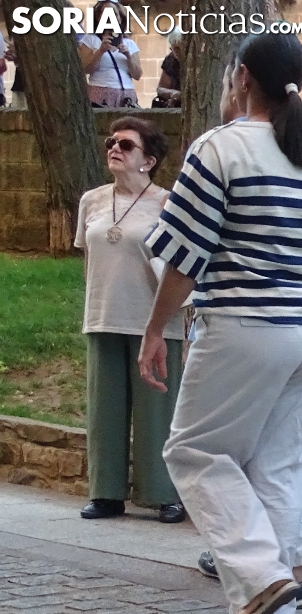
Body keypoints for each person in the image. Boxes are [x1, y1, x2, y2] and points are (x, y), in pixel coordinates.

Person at [139, 33, 302, 614]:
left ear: (241, 79)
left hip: (246, 325)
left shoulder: (219, 148)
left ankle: (261, 577)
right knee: (279, 469)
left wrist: (155, 328)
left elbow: (184, 256)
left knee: (195, 451)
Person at [75, 117, 185, 526]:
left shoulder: (167, 203)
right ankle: (106, 493)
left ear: (148, 160)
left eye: (125, 144)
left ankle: (164, 494)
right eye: (111, 142)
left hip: (154, 321)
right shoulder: (92, 201)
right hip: (105, 315)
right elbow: (88, 260)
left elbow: (179, 266)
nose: (114, 149)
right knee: (104, 410)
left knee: (157, 410)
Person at [78, 3, 140, 109]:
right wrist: (100, 51)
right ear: (98, 18)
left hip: (127, 95)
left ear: (120, 18)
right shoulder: (90, 39)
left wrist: (128, 56)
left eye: (114, 13)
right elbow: (86, 69)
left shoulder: (130, 43)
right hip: (100, 92)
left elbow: (137, 75)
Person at [153, 31, 183, 108]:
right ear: (171, 49)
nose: (180, 52)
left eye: (182, 47)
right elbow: (160, 89)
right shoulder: (170, 60)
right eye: (176, 49)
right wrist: (172, 93)